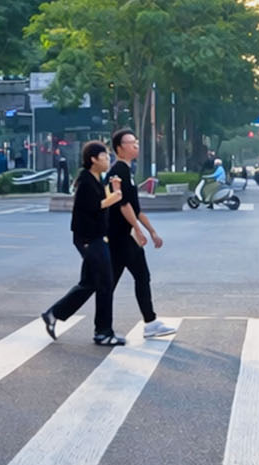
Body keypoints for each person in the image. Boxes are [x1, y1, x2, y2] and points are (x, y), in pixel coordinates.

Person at [42, 140, 127, 346]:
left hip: (95, 237)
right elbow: (94, 206)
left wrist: (113, 189)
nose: (108, 160)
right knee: (105, 282)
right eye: (104, 157)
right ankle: (103, 332)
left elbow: (101, 203)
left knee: (90, 283)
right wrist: (115, 196)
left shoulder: (95, 179)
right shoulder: (85, 182)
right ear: (93, 159)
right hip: (89, 239)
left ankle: (53, 314)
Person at [107, 128, 173, 340]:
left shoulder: (128, 170)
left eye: (136, 141)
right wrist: (137, 229)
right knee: (139, 276)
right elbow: (123, 205)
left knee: (107, 282)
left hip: (123, 235)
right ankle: (149, 322)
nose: (136, 145)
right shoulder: (119, 171)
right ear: (120, 148)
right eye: (130, 142)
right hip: (119, 236)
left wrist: (152, 231)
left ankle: (62, 312)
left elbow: (136, 207)